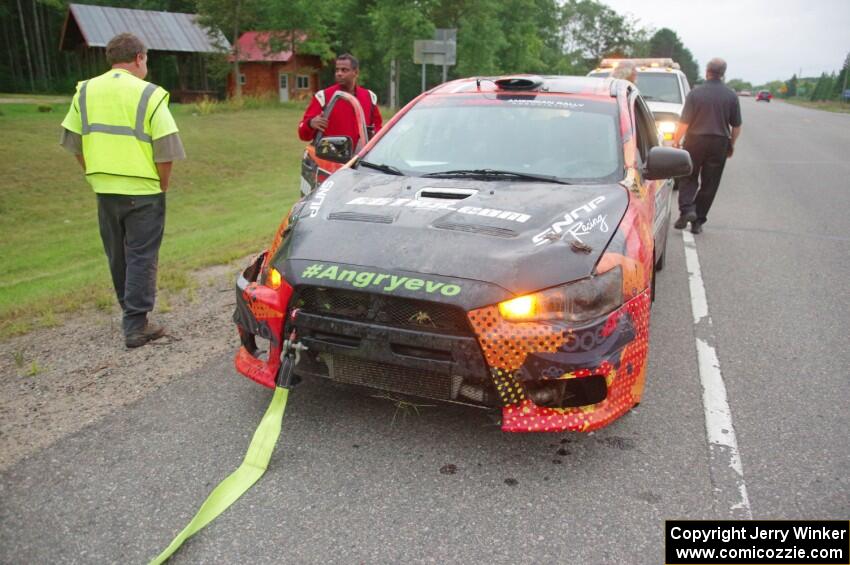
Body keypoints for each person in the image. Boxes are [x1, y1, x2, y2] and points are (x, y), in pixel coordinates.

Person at [60, 33, 185, 348]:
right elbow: (166, 149)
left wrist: (93, 171)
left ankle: (130, 312)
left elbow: (72, 141)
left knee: (117, 255)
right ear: (140, 57)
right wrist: (162, 186)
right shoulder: (150, 95)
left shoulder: (85, 91)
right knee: (142, 255)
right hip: (143, 190)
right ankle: (135, 325)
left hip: (105, 189)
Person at [672, 57, 742, 234]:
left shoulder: (696, 93)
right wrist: (731, 144)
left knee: (688, 176)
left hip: (695, 140)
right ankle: (698, 222)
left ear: (707, 71)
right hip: (719, 142)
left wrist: (675, 141)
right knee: (710, 182)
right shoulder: (731, 95)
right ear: (723, 74)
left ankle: (687, 210)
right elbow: (736, 125)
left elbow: (684, 122)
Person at [297, 53, 382, 148]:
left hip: (360, 159)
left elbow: (378, 130)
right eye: (337, 70)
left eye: (344, 70)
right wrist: (310, 124)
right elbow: (303, 135)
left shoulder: (369, 97)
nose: (339, 73)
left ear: (356, 72)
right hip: (329, 159)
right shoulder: (323, 97)